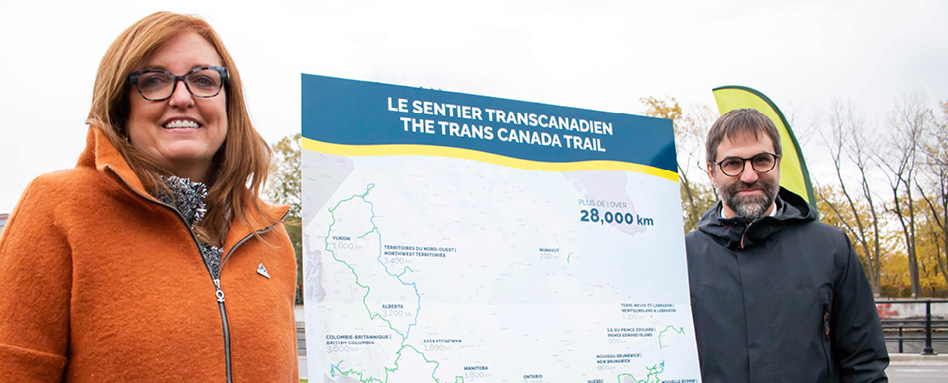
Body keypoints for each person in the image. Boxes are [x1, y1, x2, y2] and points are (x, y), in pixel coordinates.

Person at [0, 12, 298, 382]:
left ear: (228, 102)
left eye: (203, 80)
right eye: (154, 81)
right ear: (120, 104)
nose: (182, 97)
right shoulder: (58, 207)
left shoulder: (270, 237)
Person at [685, 109, 888, 382]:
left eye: (761, 160)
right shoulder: (682, 258)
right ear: (711, 171)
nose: (748, 175)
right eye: (732, 163)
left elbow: (864, 364)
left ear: (777, 164)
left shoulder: (831, 248)